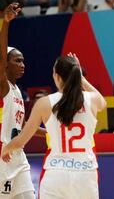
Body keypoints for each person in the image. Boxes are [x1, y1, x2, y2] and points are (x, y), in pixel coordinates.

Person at [1, 53, 107, 199]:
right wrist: (81, 77)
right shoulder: (93, 100)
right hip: (86, 172)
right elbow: (102, 101)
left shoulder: (44, 103)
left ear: (57, 76)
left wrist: (7, 148)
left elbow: (21, 140)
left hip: (56, 172)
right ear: (76, 75)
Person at [0, 3, 36, 199]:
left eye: (23, 61)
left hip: (18, 157)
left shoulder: (17, 91)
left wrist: (54, 133)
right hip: (2, 158)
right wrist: (5, 24)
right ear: (5, 65)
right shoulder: (3, 86)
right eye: (17, 61)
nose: (23, 65)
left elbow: (22, 126)